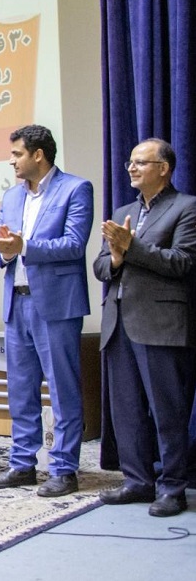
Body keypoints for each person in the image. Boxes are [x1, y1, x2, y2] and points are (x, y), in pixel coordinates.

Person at [0, 124, 93, 497]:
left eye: (17, 154)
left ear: (38, 155)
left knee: (63, 390)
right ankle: (22, 465)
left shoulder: (75, 189)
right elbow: (0, 251)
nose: (11, 161)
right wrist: (1, 250)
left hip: (57, 305)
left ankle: (64, 469)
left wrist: (24, 246)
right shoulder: (12, 196)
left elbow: (74, 244)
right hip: (17, 303)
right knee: (20, 390)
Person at [94, 138, 196, 517]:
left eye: (141, 162)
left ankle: (172, 488)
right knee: (127, 410)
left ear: (163, 169)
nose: (132, 168)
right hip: (118, 323)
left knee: (167, 411)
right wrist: (116, 257)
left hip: (160, 324)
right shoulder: (124, 211)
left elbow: (182, 262)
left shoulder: (186, 207)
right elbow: (101, 267)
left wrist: (131, 248)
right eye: (130, 162)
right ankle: (137, 481)